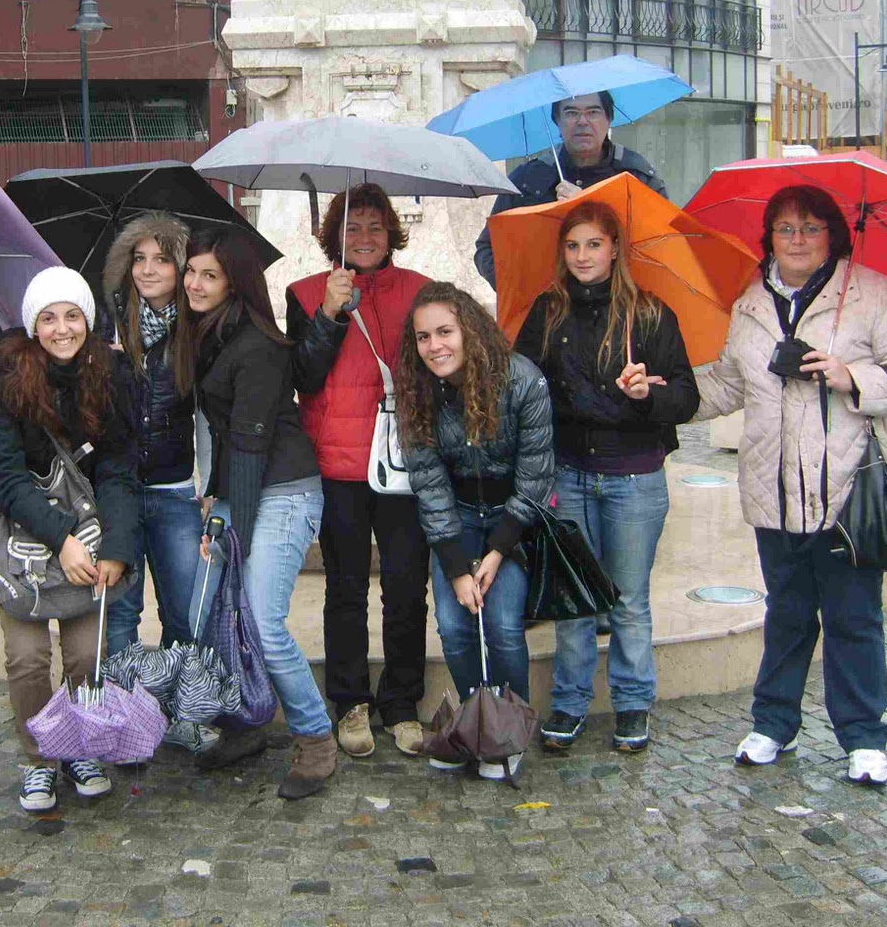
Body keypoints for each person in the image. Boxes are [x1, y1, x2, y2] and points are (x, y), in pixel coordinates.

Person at [693, 185, 887, 787]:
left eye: (809, 228)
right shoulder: (748, 301)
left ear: (833, 234)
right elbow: (726, 384)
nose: (796, 240)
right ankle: (775, 723)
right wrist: (655, 398)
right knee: (789, 613)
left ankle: (863, 737)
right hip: (772, 491)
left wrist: (851, 375)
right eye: (784, 229)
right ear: (768, 237)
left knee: (853, 617)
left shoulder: (870, 293)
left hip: (847, 491)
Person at [513, 202, 698, 754]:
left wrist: (649, 394)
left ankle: (633, 702)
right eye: (573, 246)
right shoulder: (546, 312)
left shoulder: (649, 314)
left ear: (615, 249)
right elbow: (520, 386)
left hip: (633, 477)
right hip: (568, 473)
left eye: (593, 245)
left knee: (628, 599)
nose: (583, 256)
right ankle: (569, 703)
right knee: (573, 598)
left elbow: (687, 398)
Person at [178, 227, 337, 799]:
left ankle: (316, 739)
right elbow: (224, 437)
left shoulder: (260, 345)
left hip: (286, 489)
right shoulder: (208, 334)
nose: (195, 283)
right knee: (213, 608)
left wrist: (229, 525)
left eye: (210, 275)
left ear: (235, 285)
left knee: (262, 623)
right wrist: (215, 499)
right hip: (240, 486)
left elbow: (249, 442)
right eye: (192, 271)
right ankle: (244, 724)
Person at [0, 266, 137, 813]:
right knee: (25, 658)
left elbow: (117, 465)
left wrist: (115, 547)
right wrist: (61, 538)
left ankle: (82, 748)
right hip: (25, 538)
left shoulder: (108, 374)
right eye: (49, 317)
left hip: (90, 538)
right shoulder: (3, 381)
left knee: (84, 655)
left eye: (72, 316)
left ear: (87, 322)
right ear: (32, 325)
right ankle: (40, 758)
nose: (62, 328)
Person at [286, 185, 431, 759]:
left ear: (390, 231)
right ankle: (350, 703)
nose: (364, 238)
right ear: (333, 237)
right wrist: (328, 314)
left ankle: (402, 702)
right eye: (352, 228)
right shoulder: (304, 295)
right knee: (344, 589)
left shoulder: (420, 291)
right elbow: (302, 375)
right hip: (338, 464)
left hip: (403, 464)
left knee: (404, 587)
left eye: (374, 226)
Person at [393, 282, 555, 782]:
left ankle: (509, 726)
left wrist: (498, 550)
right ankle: (472, 722)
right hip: (458, 515)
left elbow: (535, 474)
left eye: (445, 331)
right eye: (423, 337)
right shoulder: (416, 390)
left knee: (504, 625)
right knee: (453, 623)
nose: (435, 346)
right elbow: (428, 481)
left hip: (514, 516)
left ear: (470, 330)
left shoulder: (522, 380)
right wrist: (456, 564)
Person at [99, 214, 202, 656]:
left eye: (161, 259)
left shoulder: (197, 327)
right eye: (138, 258)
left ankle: (184, 710)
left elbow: (210, 411)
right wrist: (112, 364)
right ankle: (127, 714)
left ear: (180, 267)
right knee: (121, 613)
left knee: (183, 611)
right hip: (119, 491)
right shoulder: (110, 324)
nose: (147, 269)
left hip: (174, 490)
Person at [473, 90, 668, 288]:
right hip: (549, 309)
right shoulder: (529, 179)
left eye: (593, 112)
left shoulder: (637, 176)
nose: (582, 121)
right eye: (571, 113)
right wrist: (522, 291)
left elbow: (663, 244)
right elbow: (487, 248)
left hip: (620, 307)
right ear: (557, 121)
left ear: (609, 119)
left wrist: (590, 203)